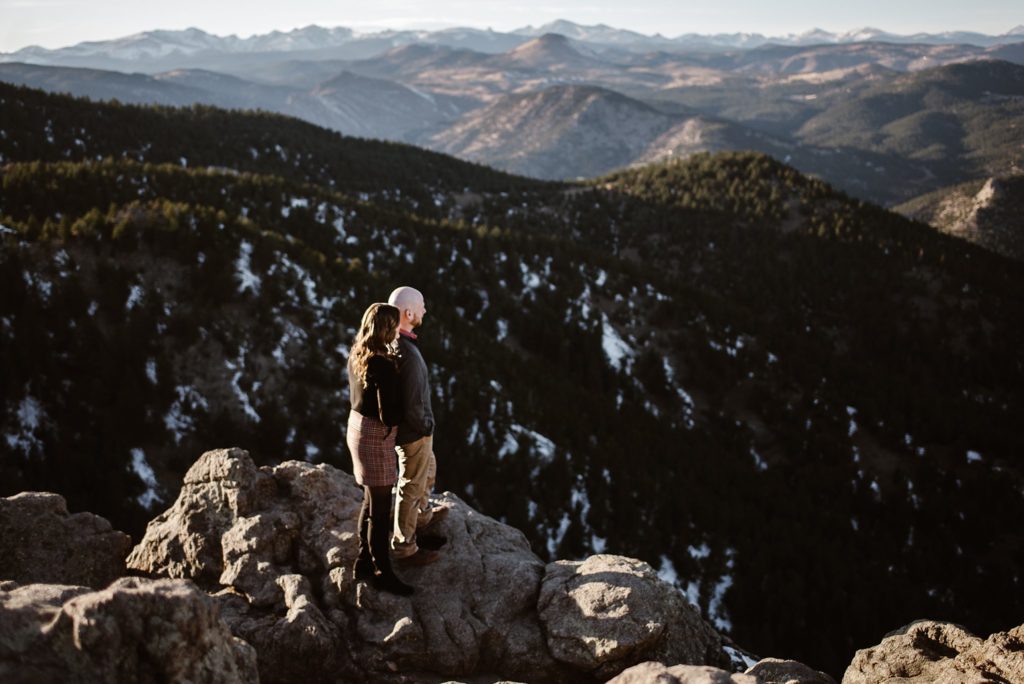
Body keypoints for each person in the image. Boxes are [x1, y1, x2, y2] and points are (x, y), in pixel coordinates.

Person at [346, 302, 414, 595]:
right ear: (387, 329)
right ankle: (382, 570)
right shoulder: (383, 365)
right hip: (376, 436)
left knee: (370, 499)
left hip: (356, 428)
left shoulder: (357, 353)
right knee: (381, 507)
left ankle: (363, 561)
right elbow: (389, 415)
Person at [388, 286, 447, 566]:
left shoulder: (397, 343)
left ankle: (422, 515)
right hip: (414, 433)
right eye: (421, 306)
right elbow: (411, 403)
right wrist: (425, 426)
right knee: (410, 486)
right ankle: (404, 547)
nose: (425, 310)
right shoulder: (407, 353)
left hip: (415, 431)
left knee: (427, 473)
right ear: (409, 313)